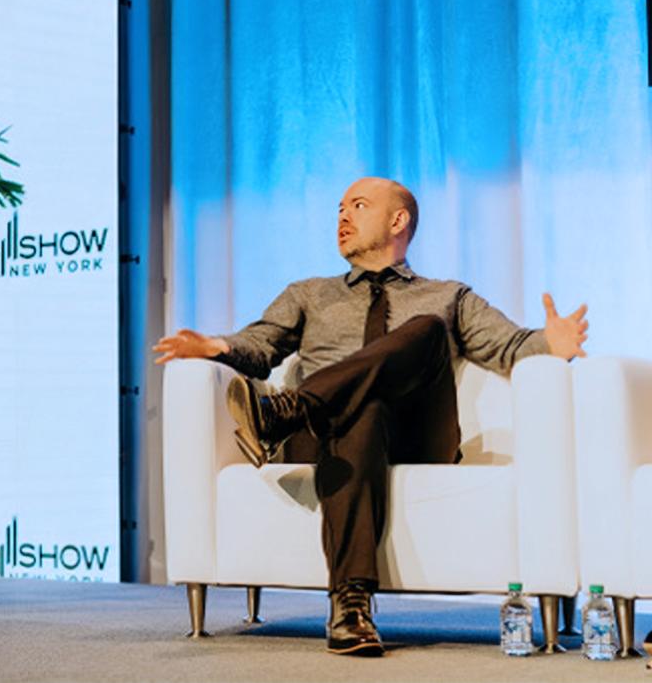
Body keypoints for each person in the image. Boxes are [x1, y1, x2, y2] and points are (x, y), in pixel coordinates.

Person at [153, 177, 587, 656]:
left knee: (425, 330)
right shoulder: (308, 294)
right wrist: (217, 346)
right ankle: (351, 606)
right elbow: (260, 345)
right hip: (327, 437)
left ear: (398, 220)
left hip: (414, 436)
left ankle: (291, 408)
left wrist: (552, 344)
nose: (342, 217)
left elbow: (510, 347)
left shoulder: (447, 296)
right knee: (360, 410)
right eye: (339, 207)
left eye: (358, 206)